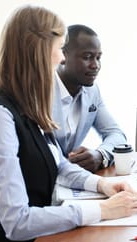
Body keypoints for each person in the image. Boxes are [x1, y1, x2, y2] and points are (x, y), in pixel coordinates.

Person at [0, 6, 137, 242]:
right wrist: (102, 210)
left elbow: (59, 165)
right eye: (58, 49)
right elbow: (17, 222)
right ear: (38, 52)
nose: (62, 59)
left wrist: (102, 185)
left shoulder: (28, 103)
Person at [53, 24, 126, 172]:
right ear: (62, 56)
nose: (96, 65)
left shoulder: (92, 91)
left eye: (98, 57)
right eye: (87, 57)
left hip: (72, 180)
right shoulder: (39, 91)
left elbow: (116, 134)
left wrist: (100, 155)